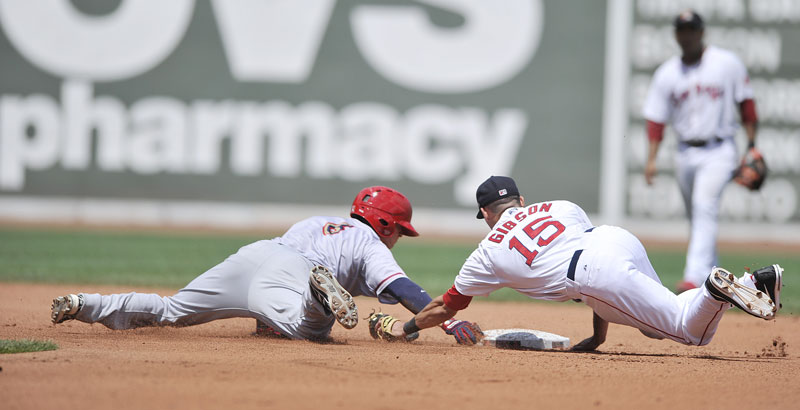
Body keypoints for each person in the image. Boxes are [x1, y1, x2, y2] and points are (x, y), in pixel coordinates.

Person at [381, 176, 782, 351]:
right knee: (656, 331)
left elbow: (444, 306)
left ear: (485, 213)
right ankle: (756, 280)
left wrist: (407, 327)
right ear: (520, 201)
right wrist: (599, 339)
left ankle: (719, 284)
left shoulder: (486, 251)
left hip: (592, 274)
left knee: (689, 332)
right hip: (615, 239)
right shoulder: (559, 205)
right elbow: (592, 262)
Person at [50, 186, 480, 344]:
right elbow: (404, 290)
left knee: (172, 310)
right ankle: (318, 298)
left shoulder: (316, 222)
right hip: (297, 277)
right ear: (385, 224)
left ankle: (83, 303)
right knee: (311, 329)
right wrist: (445, 321)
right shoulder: (372, 245)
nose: (398, 238)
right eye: (399, 230)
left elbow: (272, 275)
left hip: (256, 254)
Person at [642, 10, 762, 293]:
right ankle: (717, 278)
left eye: (691, 30)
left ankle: (693, 278)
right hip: (685, 153)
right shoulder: (667, 73)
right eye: (682, 30)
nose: (687, 35)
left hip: (719, 149)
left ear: (701, 32)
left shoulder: (725, 63)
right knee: (696, 216)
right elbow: (656, 119)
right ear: (676, 35)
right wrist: (651, 159)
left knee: (703, 206)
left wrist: (752, 145)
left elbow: (746, 104)